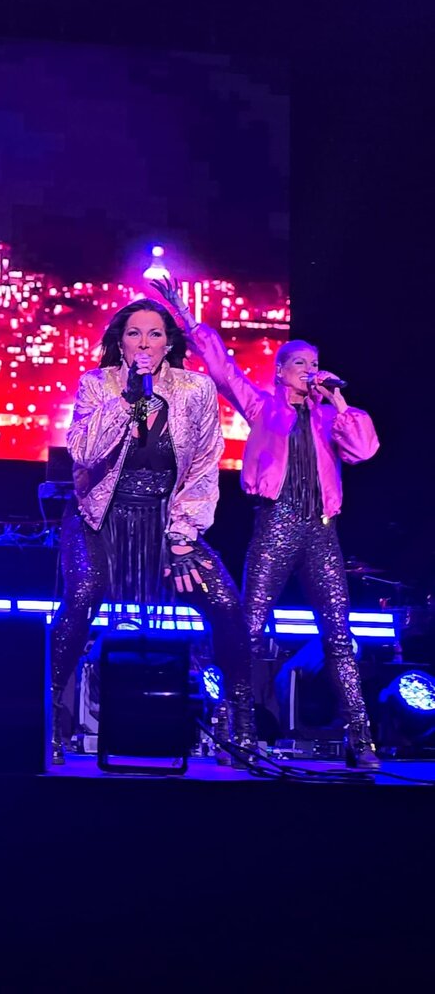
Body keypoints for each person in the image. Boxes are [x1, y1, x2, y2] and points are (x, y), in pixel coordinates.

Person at [152, 276, 381, 768]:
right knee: (249, 629)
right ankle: (234, 728)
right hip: (276, 525)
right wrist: (184, 316)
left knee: (339, 634)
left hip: (322, 531)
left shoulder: (330, 419)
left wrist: (339, 401)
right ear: (280, 371)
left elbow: (363, 450)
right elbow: (220, 366)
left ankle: (361, 740)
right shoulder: (262, 406)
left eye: (315, 363)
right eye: (301, 363)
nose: (311, 370)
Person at [50, 297, 254, 766]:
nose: (144, 343)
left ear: (168, 343)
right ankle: (50, 716)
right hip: (99, 516)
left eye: (155, 334)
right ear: (120, 342)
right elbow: (83, 451)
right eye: (134, 333)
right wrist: (127, 399)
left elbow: (205, 464)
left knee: (225, 603)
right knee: (83, 596)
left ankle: (241, 723)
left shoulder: (196, 389)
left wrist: (182, 536)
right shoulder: (96, 384)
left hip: (166, 520)